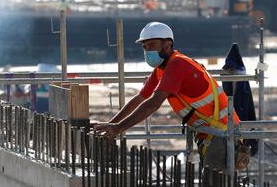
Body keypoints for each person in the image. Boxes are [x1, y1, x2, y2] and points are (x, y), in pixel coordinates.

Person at [94, 21, 240, 173]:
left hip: (223, 132)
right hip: (210, 131)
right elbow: (140, 98)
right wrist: (111, 124)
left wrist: (118, 128)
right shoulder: (161, 69)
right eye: (144, 47)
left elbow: (153, 103)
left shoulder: (177, 64)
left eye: (151, 45)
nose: (147, 51)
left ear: (167, 45)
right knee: (215, 185)